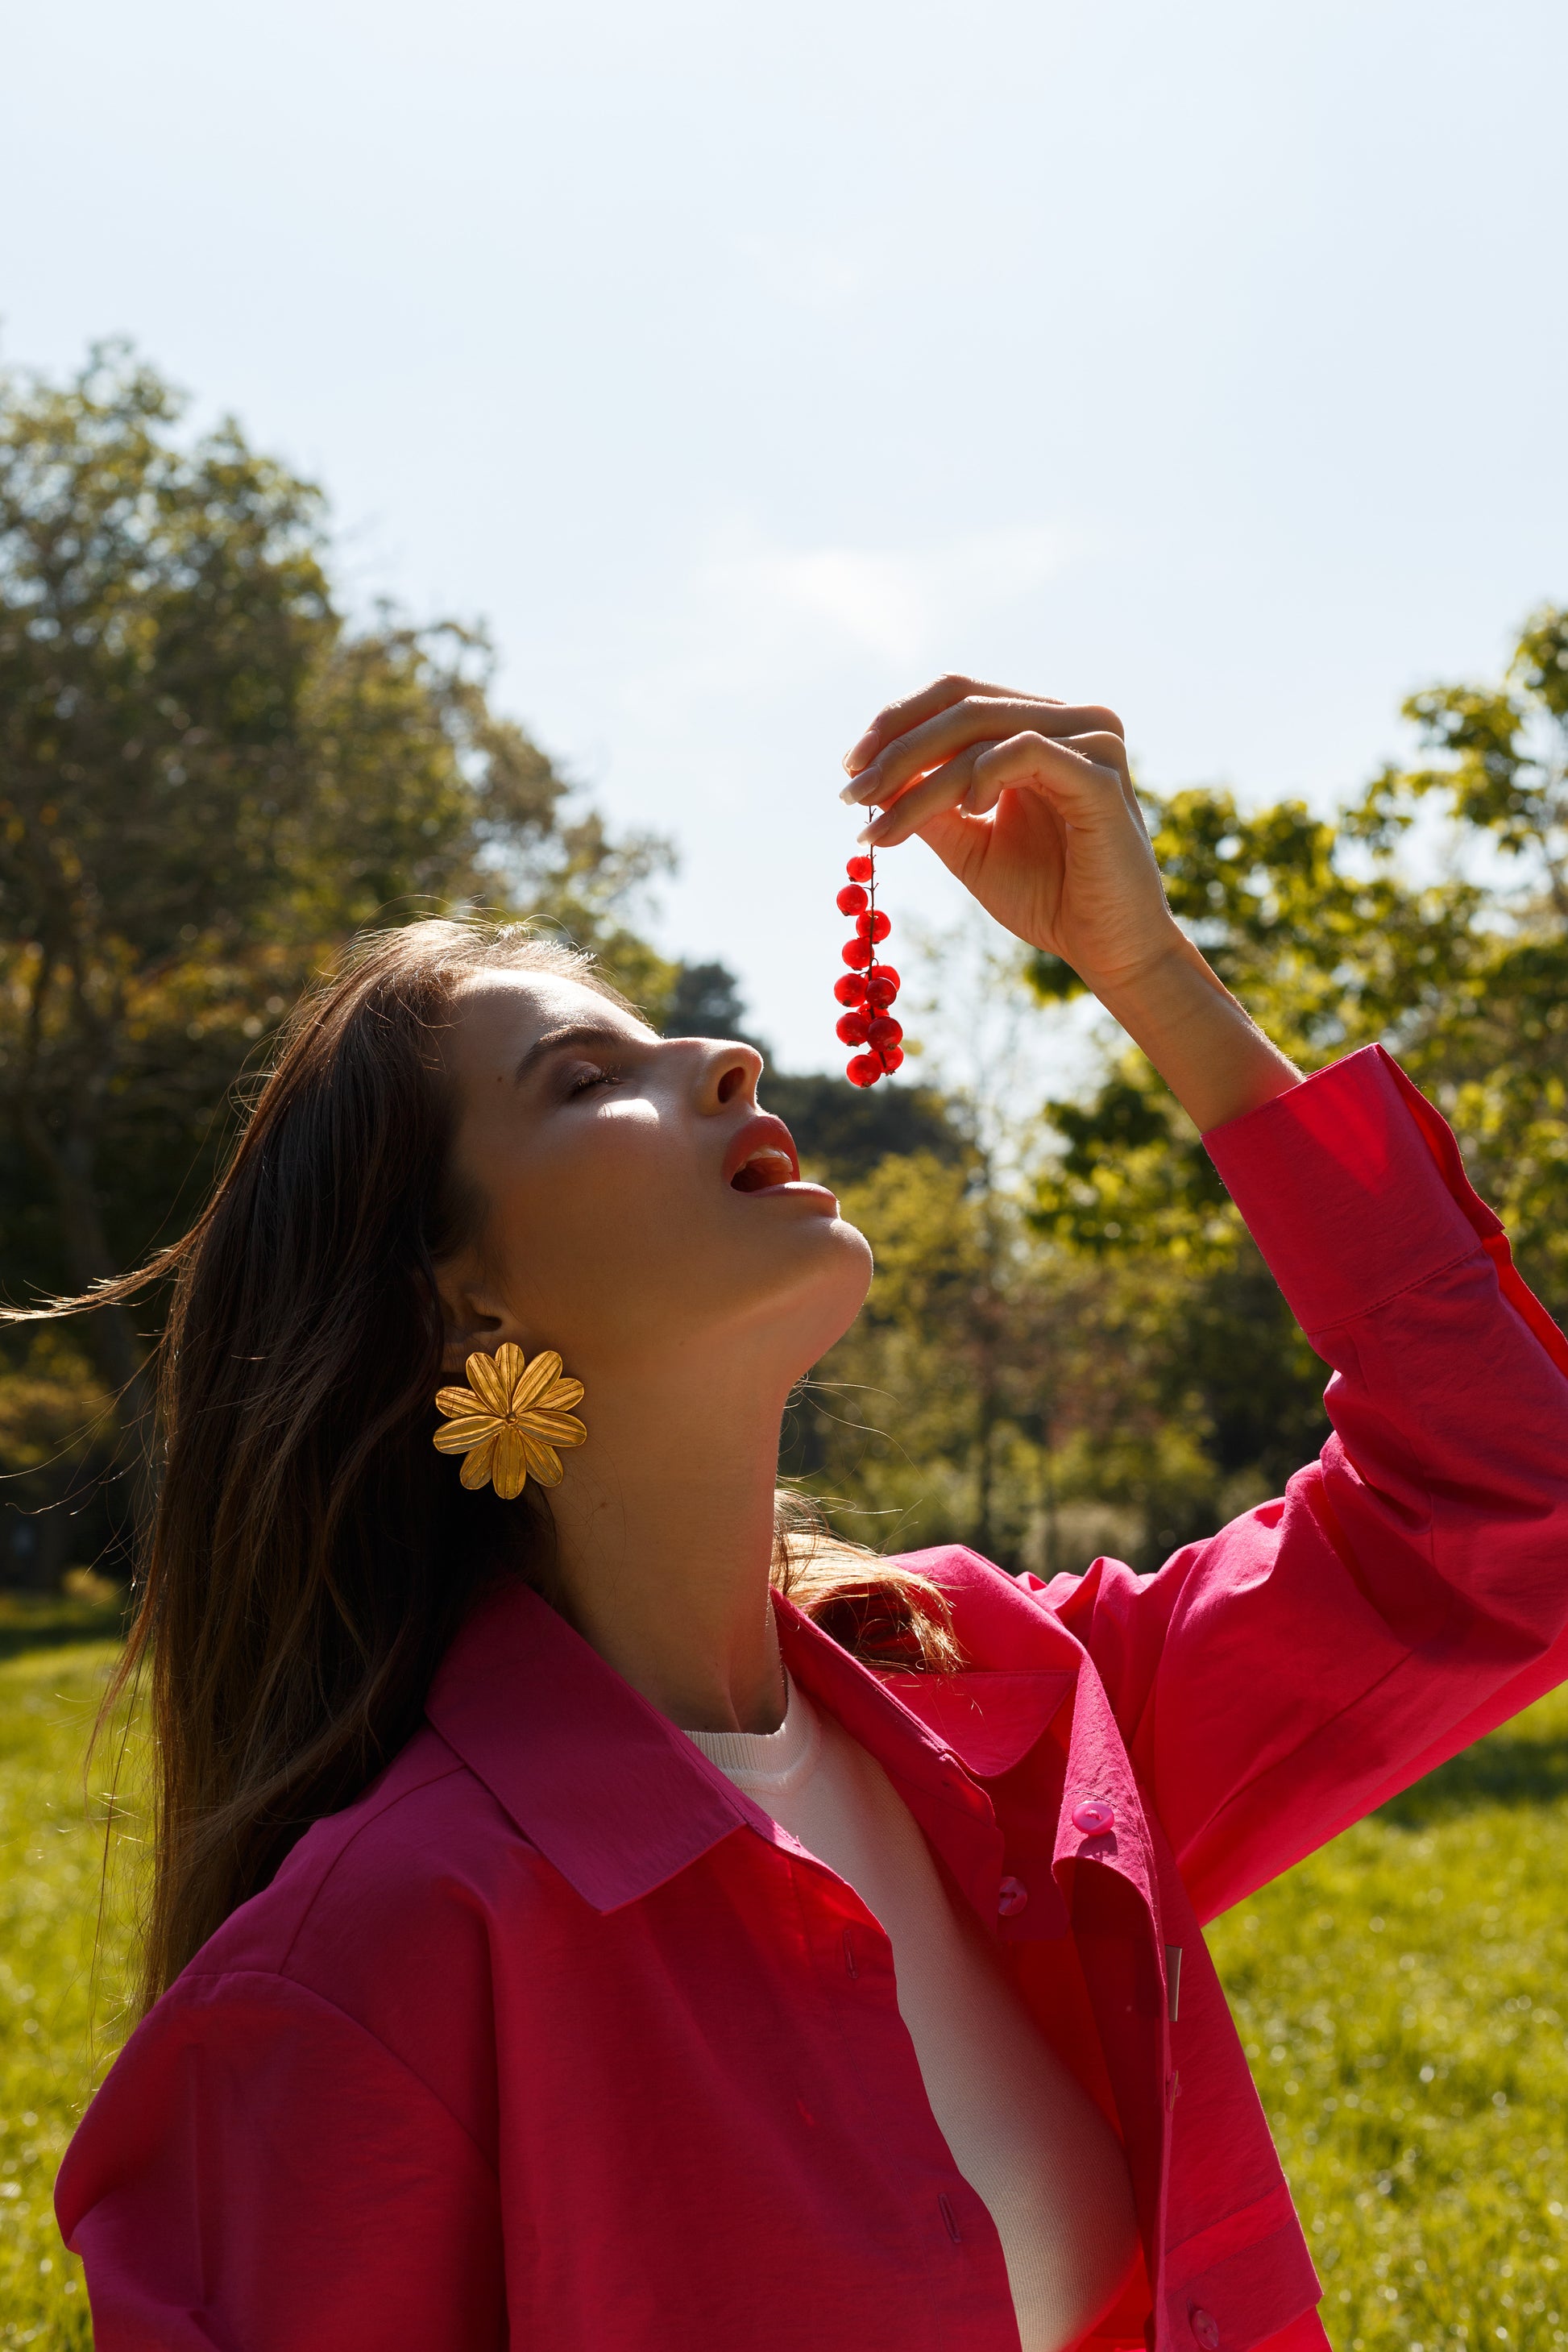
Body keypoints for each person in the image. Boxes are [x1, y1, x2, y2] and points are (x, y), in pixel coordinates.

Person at [44, 677, 1568, 2352]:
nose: (725, 1053)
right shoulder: (376, 1968)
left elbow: (1502, 1505)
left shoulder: (1013, 1709)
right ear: (457, 1302)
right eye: (579, 1075)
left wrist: (1149, 973)